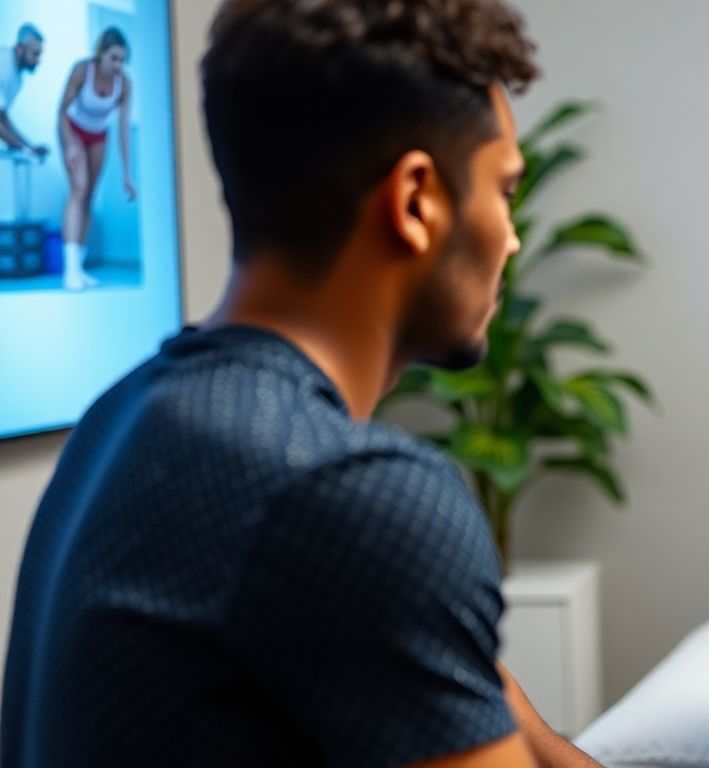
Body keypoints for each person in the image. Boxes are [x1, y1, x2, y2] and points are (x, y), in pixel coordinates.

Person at [1, 2, 599, 767]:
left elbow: (480, 703)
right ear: (416, 202)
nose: (513, 238)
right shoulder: (343, 489)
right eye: (504, 192)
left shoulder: (122, 420)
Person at [56, 27, 136, 290]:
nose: (118, 65)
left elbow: (123, 128)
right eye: (113, 58)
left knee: (90, 195)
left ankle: (79, 267)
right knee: (78, 188)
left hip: (99, 136)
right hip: (72, 129)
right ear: (100, 55)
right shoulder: (82, 70)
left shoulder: (124, 84)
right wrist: (69, 145)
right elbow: (61, 113)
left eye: (122, 60)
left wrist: (127, 174)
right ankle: (69, 271)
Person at [0, 24, 49, 160]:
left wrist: (29, 146)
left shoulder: (17, 77)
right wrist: (23, 148)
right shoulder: (3, 66)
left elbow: (3, 118)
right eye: (35, 54)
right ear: (21, 48)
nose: (38, 61)